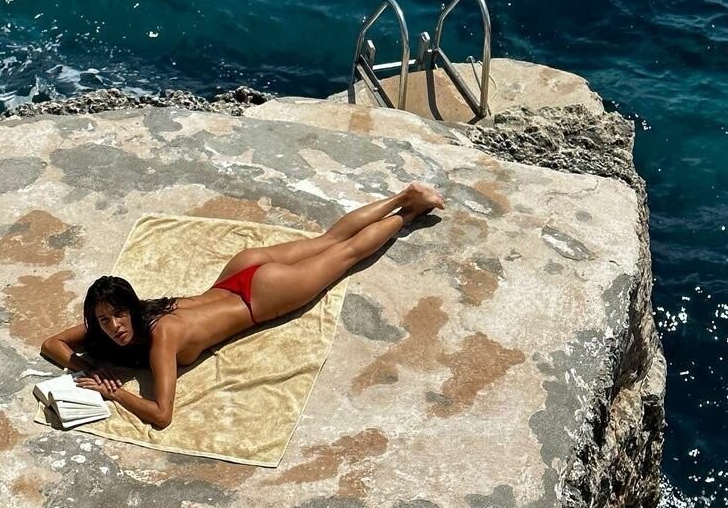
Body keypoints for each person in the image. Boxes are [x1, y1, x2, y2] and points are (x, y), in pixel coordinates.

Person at [39, 182, 445, 429]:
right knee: (327, 242)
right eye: (103, 321)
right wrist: (88, 367)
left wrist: (114, 394)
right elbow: (51, 343)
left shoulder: (162, 336)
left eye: (117, 315)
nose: (113, 326)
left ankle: (409, 210)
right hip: (237, 273)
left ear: (129, 307)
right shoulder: (127, 318)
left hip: (261, 296)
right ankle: (403, 195)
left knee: (346, 252)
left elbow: (162, 414)